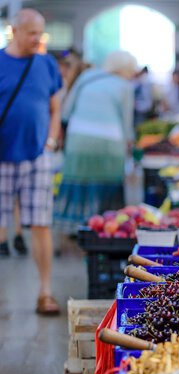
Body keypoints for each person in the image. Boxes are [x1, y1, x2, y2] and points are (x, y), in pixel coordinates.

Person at [0, 9, 63, 314]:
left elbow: (55, 108)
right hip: (2, 157)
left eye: (40, 33)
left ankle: (45, 292)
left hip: (38, 156)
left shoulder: (47, 64)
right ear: (14, 31)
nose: (37, 39)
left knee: (40, 224)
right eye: (31, 33)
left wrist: (50, 142)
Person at [54, 51, 136, 237]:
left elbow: (66, 111)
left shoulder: (87, 77)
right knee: (108, 187)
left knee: (78, 181)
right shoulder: (125, 87)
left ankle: (75, 227)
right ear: (124, 69)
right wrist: (129, 149)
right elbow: (126, 123)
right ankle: (105, 229)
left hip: (78, 140)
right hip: (110, 144)